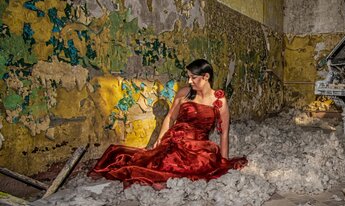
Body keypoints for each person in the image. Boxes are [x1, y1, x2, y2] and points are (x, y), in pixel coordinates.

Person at [90, 59, 247, 189]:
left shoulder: (219, 100)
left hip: (198, 146)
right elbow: (170, 118)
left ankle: (166, 181)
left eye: (193, 77)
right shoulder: (184, 93)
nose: (189, 81)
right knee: (164, 160)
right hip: (175, 139)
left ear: (206, 77)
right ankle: (162, 179)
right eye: (188, 77)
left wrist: (224, 161)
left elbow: (224, 132)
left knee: (202, 164)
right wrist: (161, 138)